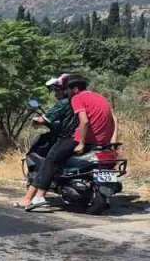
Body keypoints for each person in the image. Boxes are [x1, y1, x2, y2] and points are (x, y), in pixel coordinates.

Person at [18, 75, 117, 210]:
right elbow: (114, 119)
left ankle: (38, 198)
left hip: (78, 138)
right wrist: (110, 140)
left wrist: (81, 143)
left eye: (67, 89)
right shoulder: (99, 97)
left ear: (74, 89)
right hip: (101, 141)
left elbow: (84, 121)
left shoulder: (77, 98)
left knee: (51, 161)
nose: (66, 92)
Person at [17, 75, 78, 210]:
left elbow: (45, 119)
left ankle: (34, 198)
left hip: (66, 138)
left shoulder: (64, 103)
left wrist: (36, 119)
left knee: (48, 163)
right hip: (79, 138)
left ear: (65, 89)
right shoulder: (79, 101)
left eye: (57, 90)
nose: (55, 93)